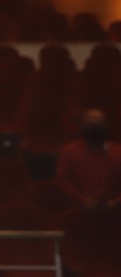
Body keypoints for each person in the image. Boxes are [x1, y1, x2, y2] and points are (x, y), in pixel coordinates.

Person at [56, 108, 121, 271]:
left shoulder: (118, 151)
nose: (95, 126)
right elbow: (62, 181)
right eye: (91, 123)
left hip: (115, 220)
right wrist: (82, 199)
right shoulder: (69, 151)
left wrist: (118, 201)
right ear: (83, 126)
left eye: (99, 123)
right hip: (79, 219)